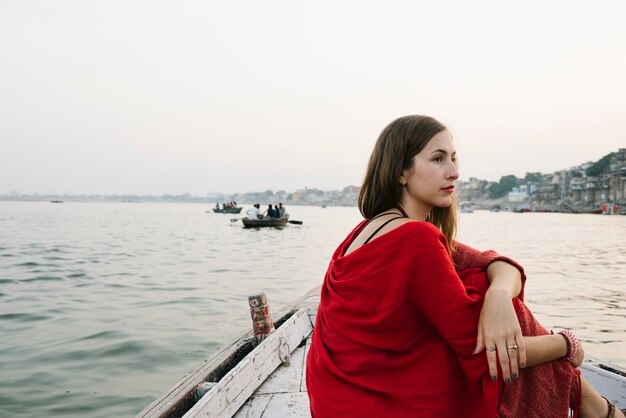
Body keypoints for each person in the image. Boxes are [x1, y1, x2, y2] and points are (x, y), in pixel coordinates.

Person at [306, 115, 624, 418]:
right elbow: (487, 354)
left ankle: (594, 408)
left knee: (485, 283)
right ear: (401, 172)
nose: (454, 172)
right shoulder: (416, 238)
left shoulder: (365, 231)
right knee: (483, 294)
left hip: (335, 401)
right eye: (438, 159)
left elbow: (493, 262)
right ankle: (595, 409)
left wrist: (499, 298)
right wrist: (567, 343)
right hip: (381, 404)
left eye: (454, 159)